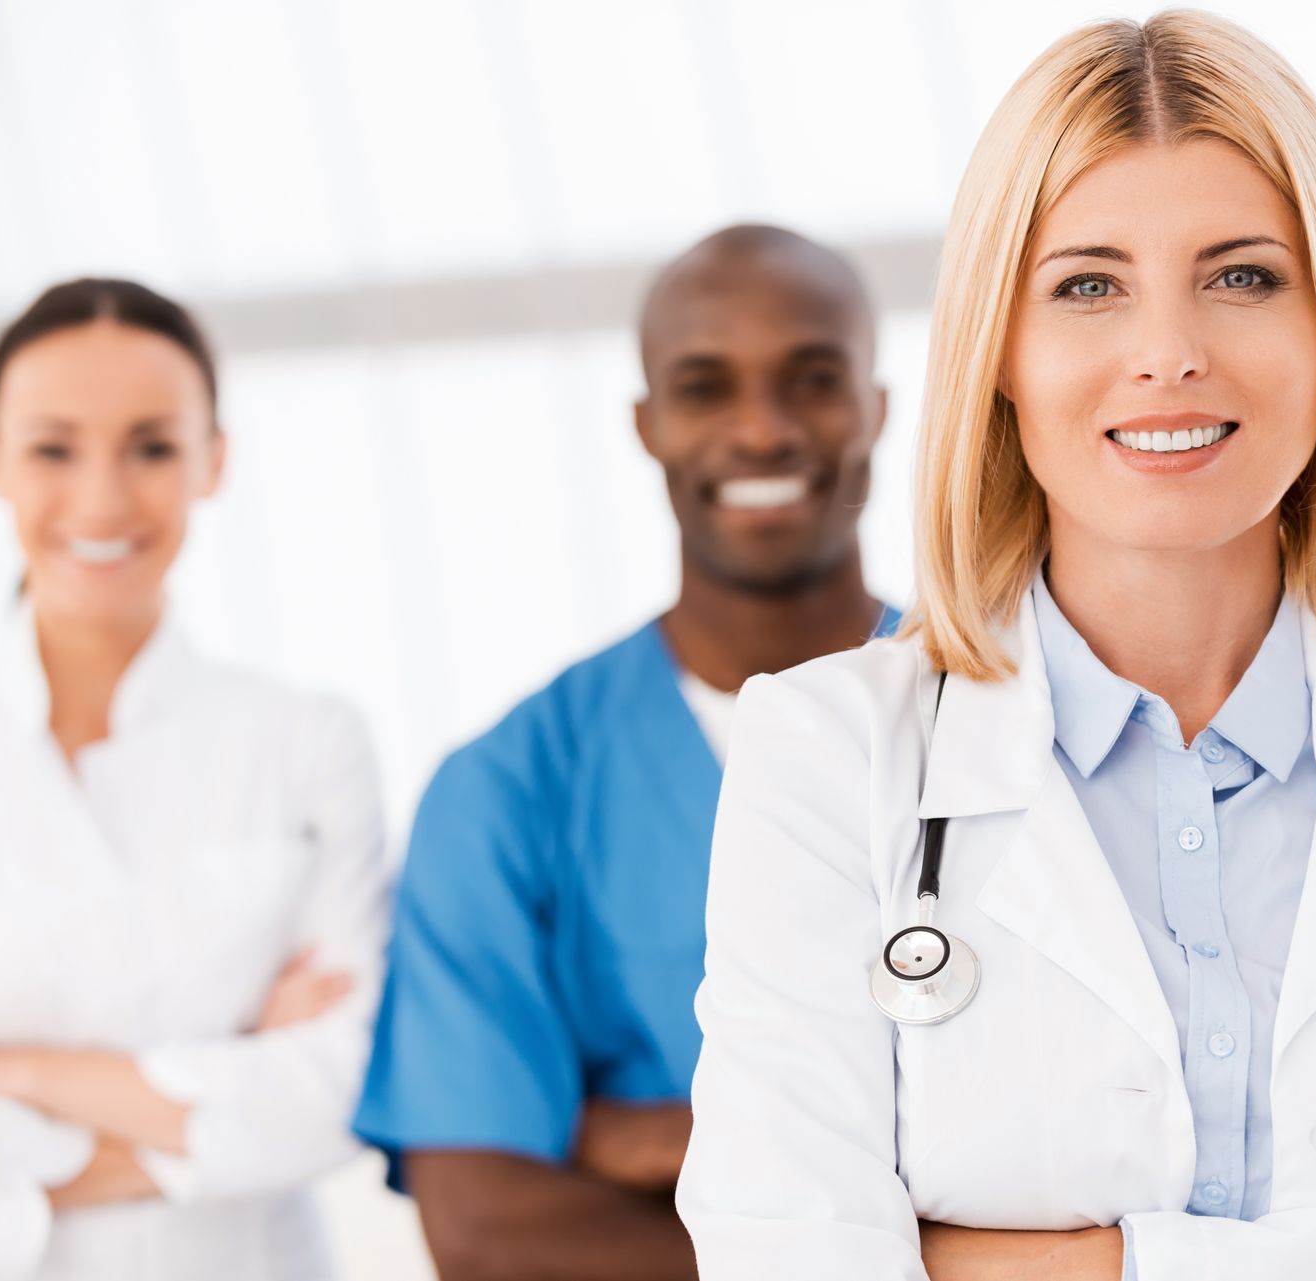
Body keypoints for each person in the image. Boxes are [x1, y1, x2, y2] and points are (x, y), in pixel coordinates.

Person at [677, 13, 1316, 1280]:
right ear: (998, 350)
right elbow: (787, 1259)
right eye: (1087, 286)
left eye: (1243, 277)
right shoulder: (831, 757)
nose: (1169, 352)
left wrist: (1042, 1262)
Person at [352, 224, 901, 1281]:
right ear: (647, 424)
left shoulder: (1020, 723)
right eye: (706, 387)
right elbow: (484, 1226)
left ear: (875, 405)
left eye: (814, 378)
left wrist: (640, 1139)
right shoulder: (506, 790)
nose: (761, 429)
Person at [0, 278, 390, 1279]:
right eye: (53, 449)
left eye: (153, 446)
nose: (101, 500)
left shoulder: (306, 741)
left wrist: (2, 1070)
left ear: (212, 461)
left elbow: (352, 1086)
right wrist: (235, 1071)